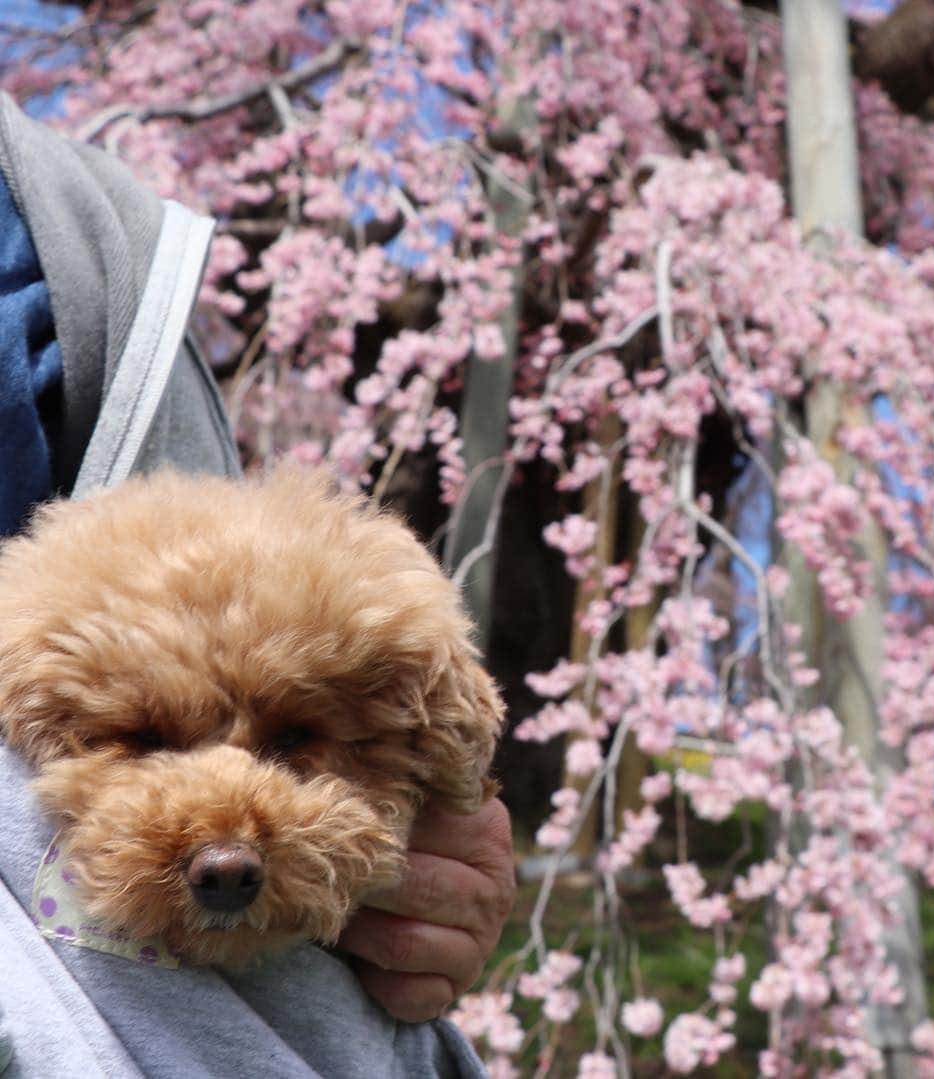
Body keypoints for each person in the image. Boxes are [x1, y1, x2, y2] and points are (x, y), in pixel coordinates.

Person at [0, 91, 513, 1077]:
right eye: (147, 739)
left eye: (292, 741)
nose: (227, 829)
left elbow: (446, 784)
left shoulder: (92, 240)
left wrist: (450, 831)